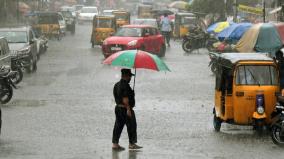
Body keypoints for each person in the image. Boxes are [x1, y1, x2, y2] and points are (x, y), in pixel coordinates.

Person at [112, 69, 143, 151]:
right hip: (126, 109)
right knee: (131, 125)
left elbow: (116, 97)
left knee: (118, 126)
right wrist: (128, 109)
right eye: (130, 76)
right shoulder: (125, 85)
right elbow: (125, 99)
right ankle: (132, 144)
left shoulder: (116, 85)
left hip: (118, 108)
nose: (131, 78)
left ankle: (115, 144)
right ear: (126, 76)